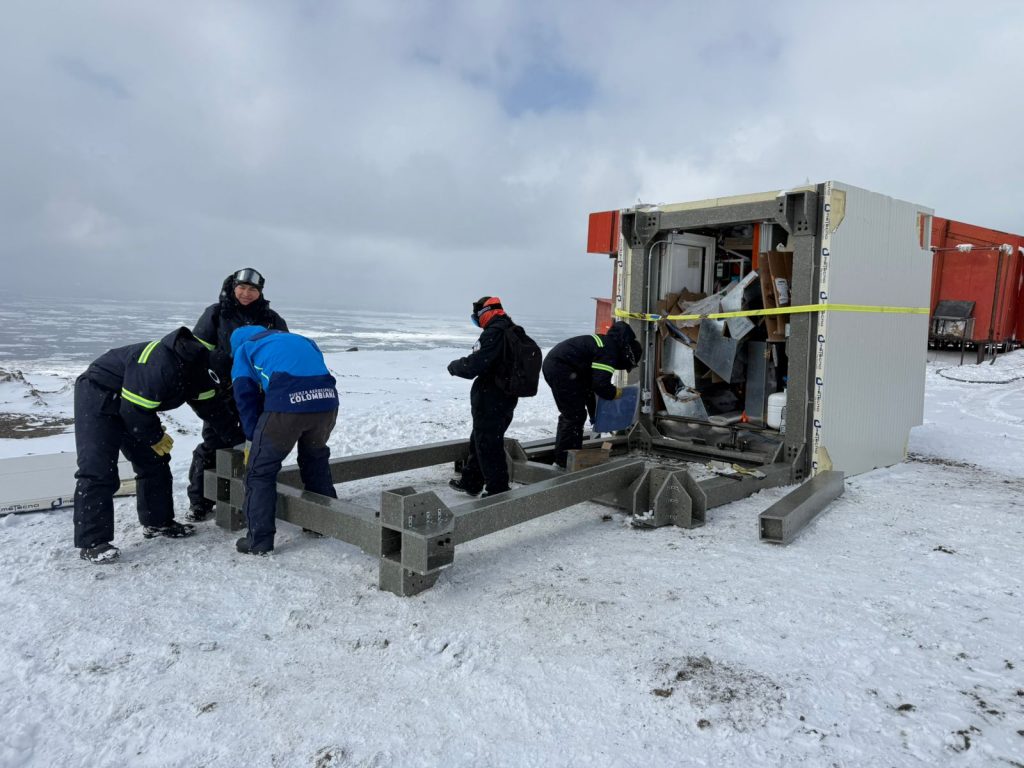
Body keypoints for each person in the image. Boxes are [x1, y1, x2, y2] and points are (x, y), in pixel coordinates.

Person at [73, 327, 237, 563]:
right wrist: (155, 437)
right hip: (99, 393)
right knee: (98, 468)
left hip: (134, 405)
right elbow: (133, 411)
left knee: (154, 461)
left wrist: (242, 442)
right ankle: (92, 543)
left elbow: (215, 412)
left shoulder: (203, 376)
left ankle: (157, 523)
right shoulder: (161, 365)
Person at [186, 267, 289, 522]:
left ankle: (250, 497)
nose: (246, 294)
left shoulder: (271, 319)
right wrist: (219, 367)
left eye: (252, 289)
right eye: (241, 288)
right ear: (232, 288)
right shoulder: (216, 314)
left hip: (257, 393)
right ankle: (201, 501)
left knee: (256, 442)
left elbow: (282, 352)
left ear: (260, 292)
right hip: (220, 391)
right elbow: (198, 352)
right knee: (214, 444)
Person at [230, 325, 339, 555]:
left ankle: (258, 541)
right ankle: (322, 523)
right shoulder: (302, 339)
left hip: (287, 405)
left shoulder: (244, 349)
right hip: (327, 402)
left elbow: (245, 397)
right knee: (315, 458)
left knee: (260, 471)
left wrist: (253, 440)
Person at [541, 321, 643, 468]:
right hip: (562, 368)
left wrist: (593, 413)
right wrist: (615, 392)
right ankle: (564, 460)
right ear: (627, 355)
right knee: (573, 415)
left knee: (575, 414)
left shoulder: (606, 344)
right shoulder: (609, 351)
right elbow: (601, 386)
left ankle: (569, 455)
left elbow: (589, 388)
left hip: (563, 368)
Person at [446, 296, 520, 497]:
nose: (475, 320)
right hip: (506, 395)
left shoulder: (494, 332)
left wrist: (455, 366)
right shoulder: (512, 330)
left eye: (476, 316)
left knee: (488, 442)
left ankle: (498, 489)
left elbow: (475, 364)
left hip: (492, 396)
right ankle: (472, 481)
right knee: (482, 438)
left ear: (485, 313)